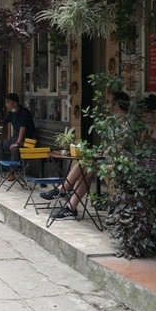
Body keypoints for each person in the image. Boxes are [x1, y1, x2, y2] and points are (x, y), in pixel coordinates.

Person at [46, 92, 130, 221]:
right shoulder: (111, 121)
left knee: (86, 164)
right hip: (109, 159)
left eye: (109, 102)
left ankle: (63, 191)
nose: (107, 105)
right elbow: (107, 145)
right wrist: (101, 152)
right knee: (86, 168)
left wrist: (101, 153)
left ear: (116, 105)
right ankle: (70, 207)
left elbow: (118, 148)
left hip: (123, 161)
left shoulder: (128, 124)